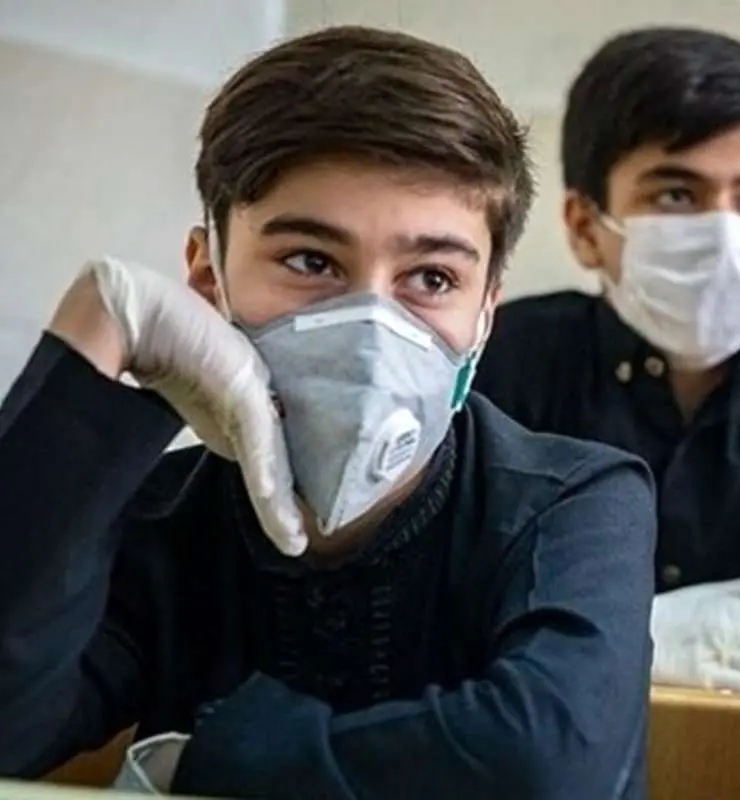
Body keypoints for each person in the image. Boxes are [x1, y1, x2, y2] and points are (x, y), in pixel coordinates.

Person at [0, 26, 656, 799]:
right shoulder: (163, 518)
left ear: (486, 311)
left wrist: (208, 761)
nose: (372, 331)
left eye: (432, 278)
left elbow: (548, 765)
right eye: (311, 261)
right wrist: (95, 336)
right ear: (208, 276)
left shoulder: (577, 504)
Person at [473, 27, 740, 701]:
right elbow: (458, 614)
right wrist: (639, 635)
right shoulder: (512, 353)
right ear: (586, 228)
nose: (724, 233)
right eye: (676, 195)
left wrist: (576, 640)